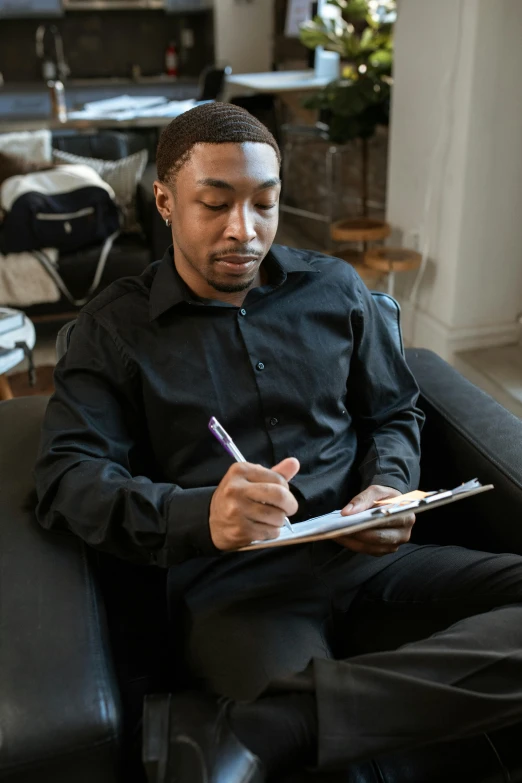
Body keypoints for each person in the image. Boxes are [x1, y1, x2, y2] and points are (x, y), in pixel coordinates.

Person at [34, 103, 522, 783]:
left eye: (265, 203)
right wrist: (200, 512)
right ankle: (336, 715)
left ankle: (274, 724)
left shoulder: (335, 289)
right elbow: (66, 478)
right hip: (237, 594)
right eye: (215, 203)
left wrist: (387, 483)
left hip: (370, 562)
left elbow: (395, 409)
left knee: (300, 742)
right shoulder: (112, 330)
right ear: (166, 201)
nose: (244, 229)